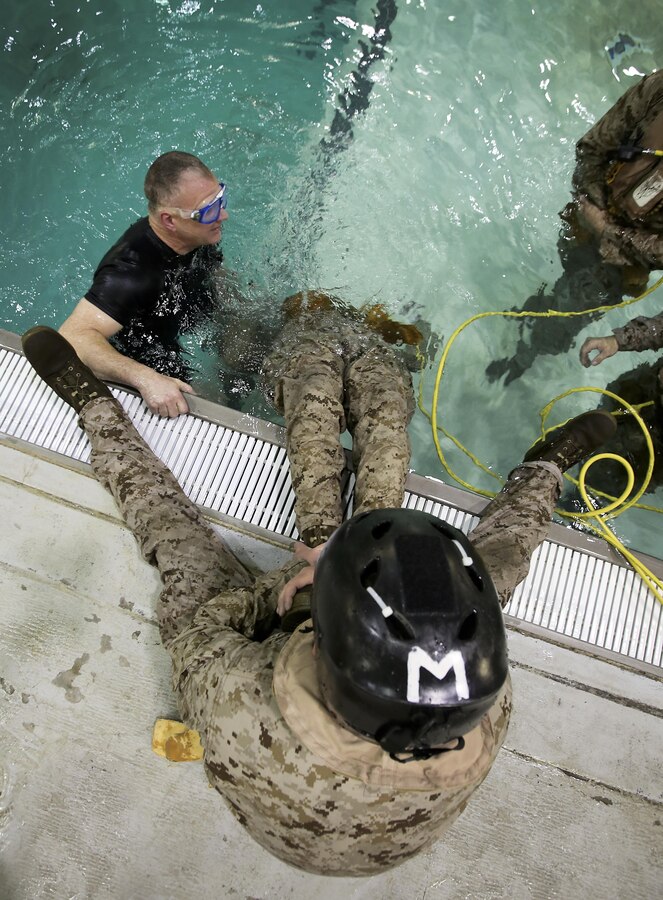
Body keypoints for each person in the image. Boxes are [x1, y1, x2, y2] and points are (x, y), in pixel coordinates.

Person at [21, 325, 616, 876]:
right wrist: (337, 575)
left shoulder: (238, 701)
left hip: (275, 746)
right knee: (499, 561)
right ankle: (548, 465)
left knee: (166, 524)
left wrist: (287, 585)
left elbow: (204, 631)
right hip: (361, 735)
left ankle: (95, 407)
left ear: (317, 640)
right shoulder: (483, 699)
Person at [487, 69, 663, 386]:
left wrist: (609, 233)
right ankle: (531, 319)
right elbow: (593, 148)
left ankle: (527, 357)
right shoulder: (659, 88)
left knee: (566, 317)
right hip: (586, 220)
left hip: (622, 264)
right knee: (562, 284)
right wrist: (591, 209)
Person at [60, 150, 239, 418]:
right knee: (213, 407)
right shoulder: (129, 272)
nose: (222, 215)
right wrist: (145, 378)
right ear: (170, 220)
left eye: (220, 199)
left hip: (184, 307)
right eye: (210, 210)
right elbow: (72, 337)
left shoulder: (198, 231)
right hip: (151, 347)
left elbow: (214, 272)